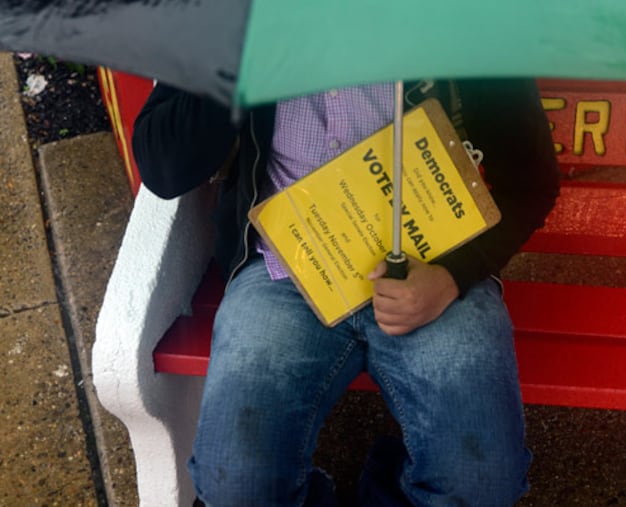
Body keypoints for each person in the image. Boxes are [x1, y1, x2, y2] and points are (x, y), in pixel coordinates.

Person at [133, 78, 559, 507]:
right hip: (284, 266)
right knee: (239, 486)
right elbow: (164, 168)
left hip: (427, 264)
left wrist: (452, 275)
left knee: (480, 482)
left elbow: (531, 183)